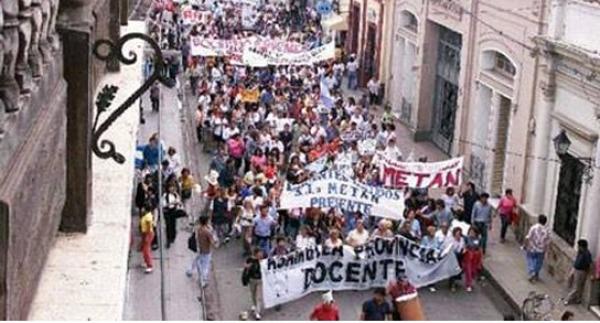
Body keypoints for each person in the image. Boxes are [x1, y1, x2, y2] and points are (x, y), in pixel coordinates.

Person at [564, 239, 593, 305]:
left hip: (581, 271)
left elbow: (590, 264)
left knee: (577, 287)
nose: (578, 247)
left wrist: (591, 273)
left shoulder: (587, 254)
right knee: (571, 282)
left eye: (579, 246)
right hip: (576, 268)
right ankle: (577, 298)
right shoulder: (580, 251)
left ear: (582, 246)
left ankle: (568, 299)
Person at [523, 214, 550, 282]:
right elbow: (547, 242)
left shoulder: (534, 227)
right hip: (541, 249)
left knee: (530, 259)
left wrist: (525, 245)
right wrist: (546, 250)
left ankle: (532, 272)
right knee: (539, 262)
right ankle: (536, 273)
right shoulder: (547, 230)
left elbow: (528, 237)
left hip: (532, 247)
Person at [243, 247, 263, 320]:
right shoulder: (250, 260)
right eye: (260, 253)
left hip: (259, 280)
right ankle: (254, 305)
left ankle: (257, 312)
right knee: (253, 294)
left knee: (258, 296)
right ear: (256, 253)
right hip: (252, 280)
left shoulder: (262, 260)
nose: (261, 254)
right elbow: (245, 265)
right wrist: (248, 266)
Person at [195, 215, 214, 288]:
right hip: (206, 250)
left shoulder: (199, 229)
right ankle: (203, 281)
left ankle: (197, 275)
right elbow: (212, 241)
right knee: (205, 266)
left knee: (199, 262)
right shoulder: (207, 232)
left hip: (200, 249)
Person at [463, 227, 483, 292]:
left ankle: (471, 280)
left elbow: (480, 247)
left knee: (473, 270)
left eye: (473, 232)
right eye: (470, 232)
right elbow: (464, 246)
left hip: (476, 256)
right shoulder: (466, 238)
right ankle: (468, 284)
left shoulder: (478, 239)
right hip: (468, 255)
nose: (471, 233)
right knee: (468, 270)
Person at [139, 206, 155, 273]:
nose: (142, 209)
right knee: (144, 249)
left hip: (147, 234)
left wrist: (147, 237)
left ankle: (149, 265)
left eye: (143, 208)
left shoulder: (148, 217)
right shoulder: (146, 215)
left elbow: (148, 227)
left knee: (146, 250)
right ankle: (146, 262)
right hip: (144, 233)